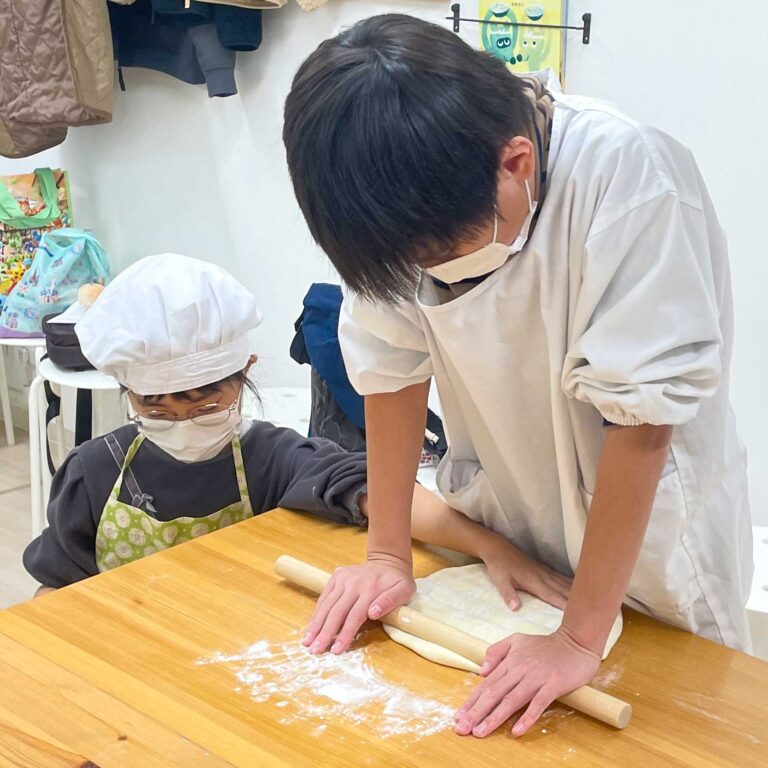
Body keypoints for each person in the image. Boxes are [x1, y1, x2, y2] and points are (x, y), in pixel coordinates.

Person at [282, 14, 753, 738]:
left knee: (679, 728)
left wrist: (576, 639)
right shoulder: (394, 200)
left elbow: (642, 421)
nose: (429, 276)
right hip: (510, 522)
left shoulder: (629, 179)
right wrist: (387, 551)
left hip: (648, 539)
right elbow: (389, 366)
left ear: (517, 164)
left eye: (441, 253)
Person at [24, 253, 570, 619]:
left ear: (246, 372)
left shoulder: (268, 457)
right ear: (128, 393)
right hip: (131, 653)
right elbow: (54, 591)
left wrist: (489, 545)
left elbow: (383, 495)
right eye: (157, 408)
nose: (184, 423)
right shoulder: (93, 472)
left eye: (206, 403)